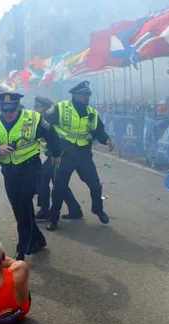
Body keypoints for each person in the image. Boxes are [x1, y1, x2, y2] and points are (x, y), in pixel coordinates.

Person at [0, 92, 61, 260]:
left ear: (18, 106)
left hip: (30, 168)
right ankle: (38, 239)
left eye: (12, 109)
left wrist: (56, 154)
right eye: (5, 110)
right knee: (19, 208)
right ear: (1, 108)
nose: (9, 113)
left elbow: (51, 134)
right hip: (9, 172)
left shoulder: (32, 118)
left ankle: (22, 249)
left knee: (23, 203)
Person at [43, 81, 114, 232]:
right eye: (84, 94)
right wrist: (50, 148)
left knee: (95, 184)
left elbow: (98, 131)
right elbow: (45, 125)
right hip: (64, 154)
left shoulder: (91, 113)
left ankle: (98, 210)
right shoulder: (60, 107)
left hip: (83, 155)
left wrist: (106, 139)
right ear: (75, 95)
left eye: (88, 94)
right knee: (59, 188)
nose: (87, 97)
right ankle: (53, 219)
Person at [33, 96, 81, 220]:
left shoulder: (48, 118)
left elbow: (55, 137)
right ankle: (74, 209)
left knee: (45, 178)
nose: (35, 108)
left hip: (59, 154)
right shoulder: (45, 117)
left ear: (43, 107)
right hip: (56, 154)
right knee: (59, 183)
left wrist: (48, 146)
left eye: (37, 106)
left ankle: (45, 210)